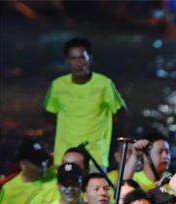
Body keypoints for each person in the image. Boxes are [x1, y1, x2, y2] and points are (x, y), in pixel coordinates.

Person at [44, 37, 126, 168]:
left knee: (96, 181)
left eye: (82, 57)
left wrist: (100, 126)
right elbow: (48, 112)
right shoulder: (58, 85)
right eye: (73, 58)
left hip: (96, 155)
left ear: (90, 59)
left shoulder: (104, 84)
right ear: (67, 60)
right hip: (65, 154)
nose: (78, 63)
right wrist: (69, 124)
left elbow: (120, 110)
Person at [0, 140, 50, 204]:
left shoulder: (56, 177)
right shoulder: (10, 189)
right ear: (23, 164)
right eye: (37, 161)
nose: (43, 164)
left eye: (44, 159)